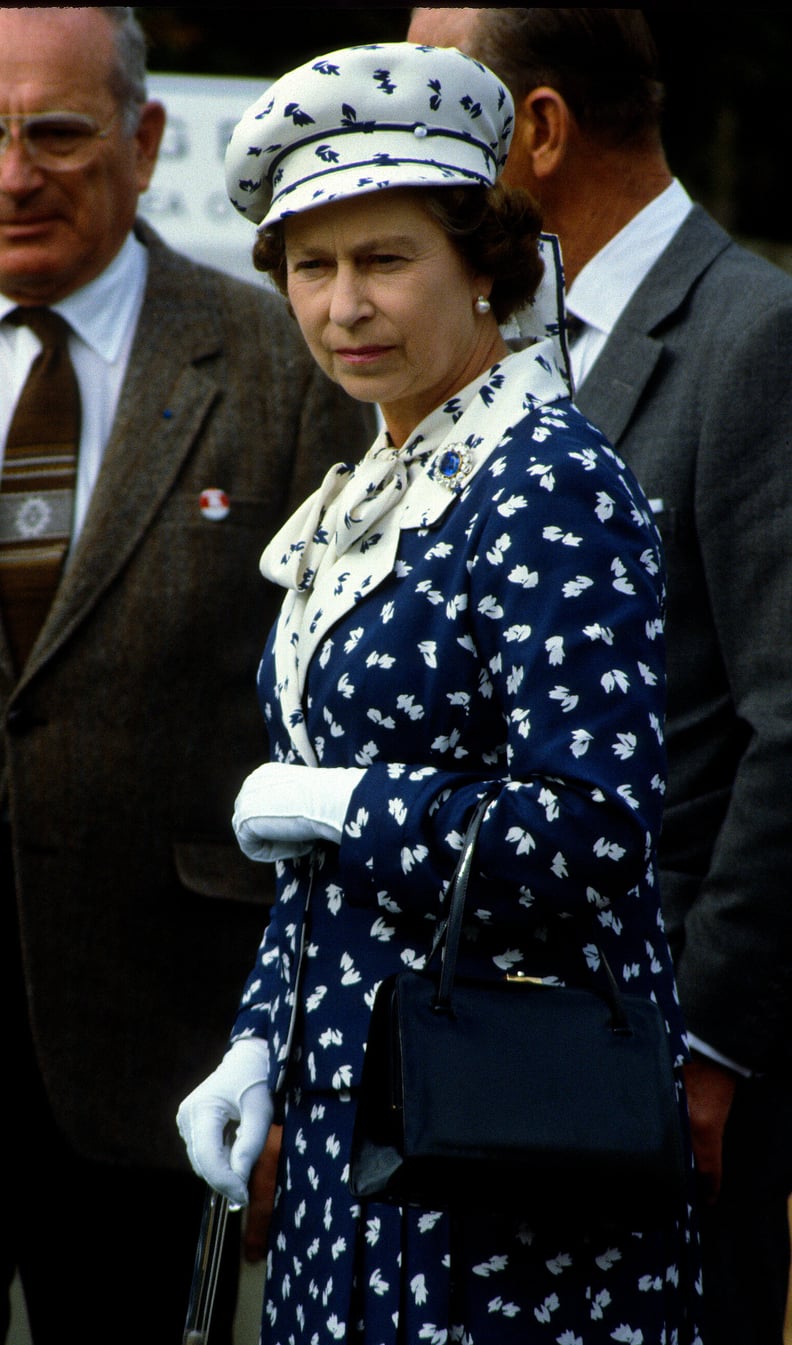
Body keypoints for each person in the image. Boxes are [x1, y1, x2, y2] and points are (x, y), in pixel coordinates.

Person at [176, 41, 704, 1345]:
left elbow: (592, 831)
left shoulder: (544, 478)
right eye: (312, 265)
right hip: (355, 1146)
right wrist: (259, 1038)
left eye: (385, 258)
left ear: (486, 265)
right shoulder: (367, 487)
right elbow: (322, 867)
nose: (344, 304)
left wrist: (344, 799)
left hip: (509, 1167)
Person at [405, 10, 792, 1345]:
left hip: (663, 1058)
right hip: (486, 1053)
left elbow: (788, 729)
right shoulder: (480, 335)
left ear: (542, 129)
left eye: (434, 100)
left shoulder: (753, 337)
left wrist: (710, 1048)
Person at [0, 8, 375, 1344]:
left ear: (145, 138)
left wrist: (297, 1062)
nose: (13, 173)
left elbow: (348, 734)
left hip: (165, 1066)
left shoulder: (284, 365)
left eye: (54, 130)